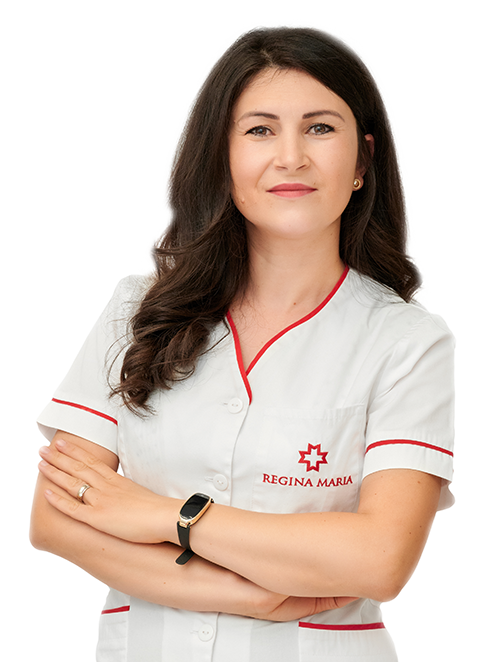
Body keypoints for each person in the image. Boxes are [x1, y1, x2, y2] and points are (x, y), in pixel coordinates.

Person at [30, 25, 455, 661]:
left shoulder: (408, 341)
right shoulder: (138, 309)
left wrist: (163, 516)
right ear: (221, 157)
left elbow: (381, 558)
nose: (291, 157)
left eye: (320, 128)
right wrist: (245, 595)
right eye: (259, 130)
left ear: (363, 162)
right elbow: (53, 521)